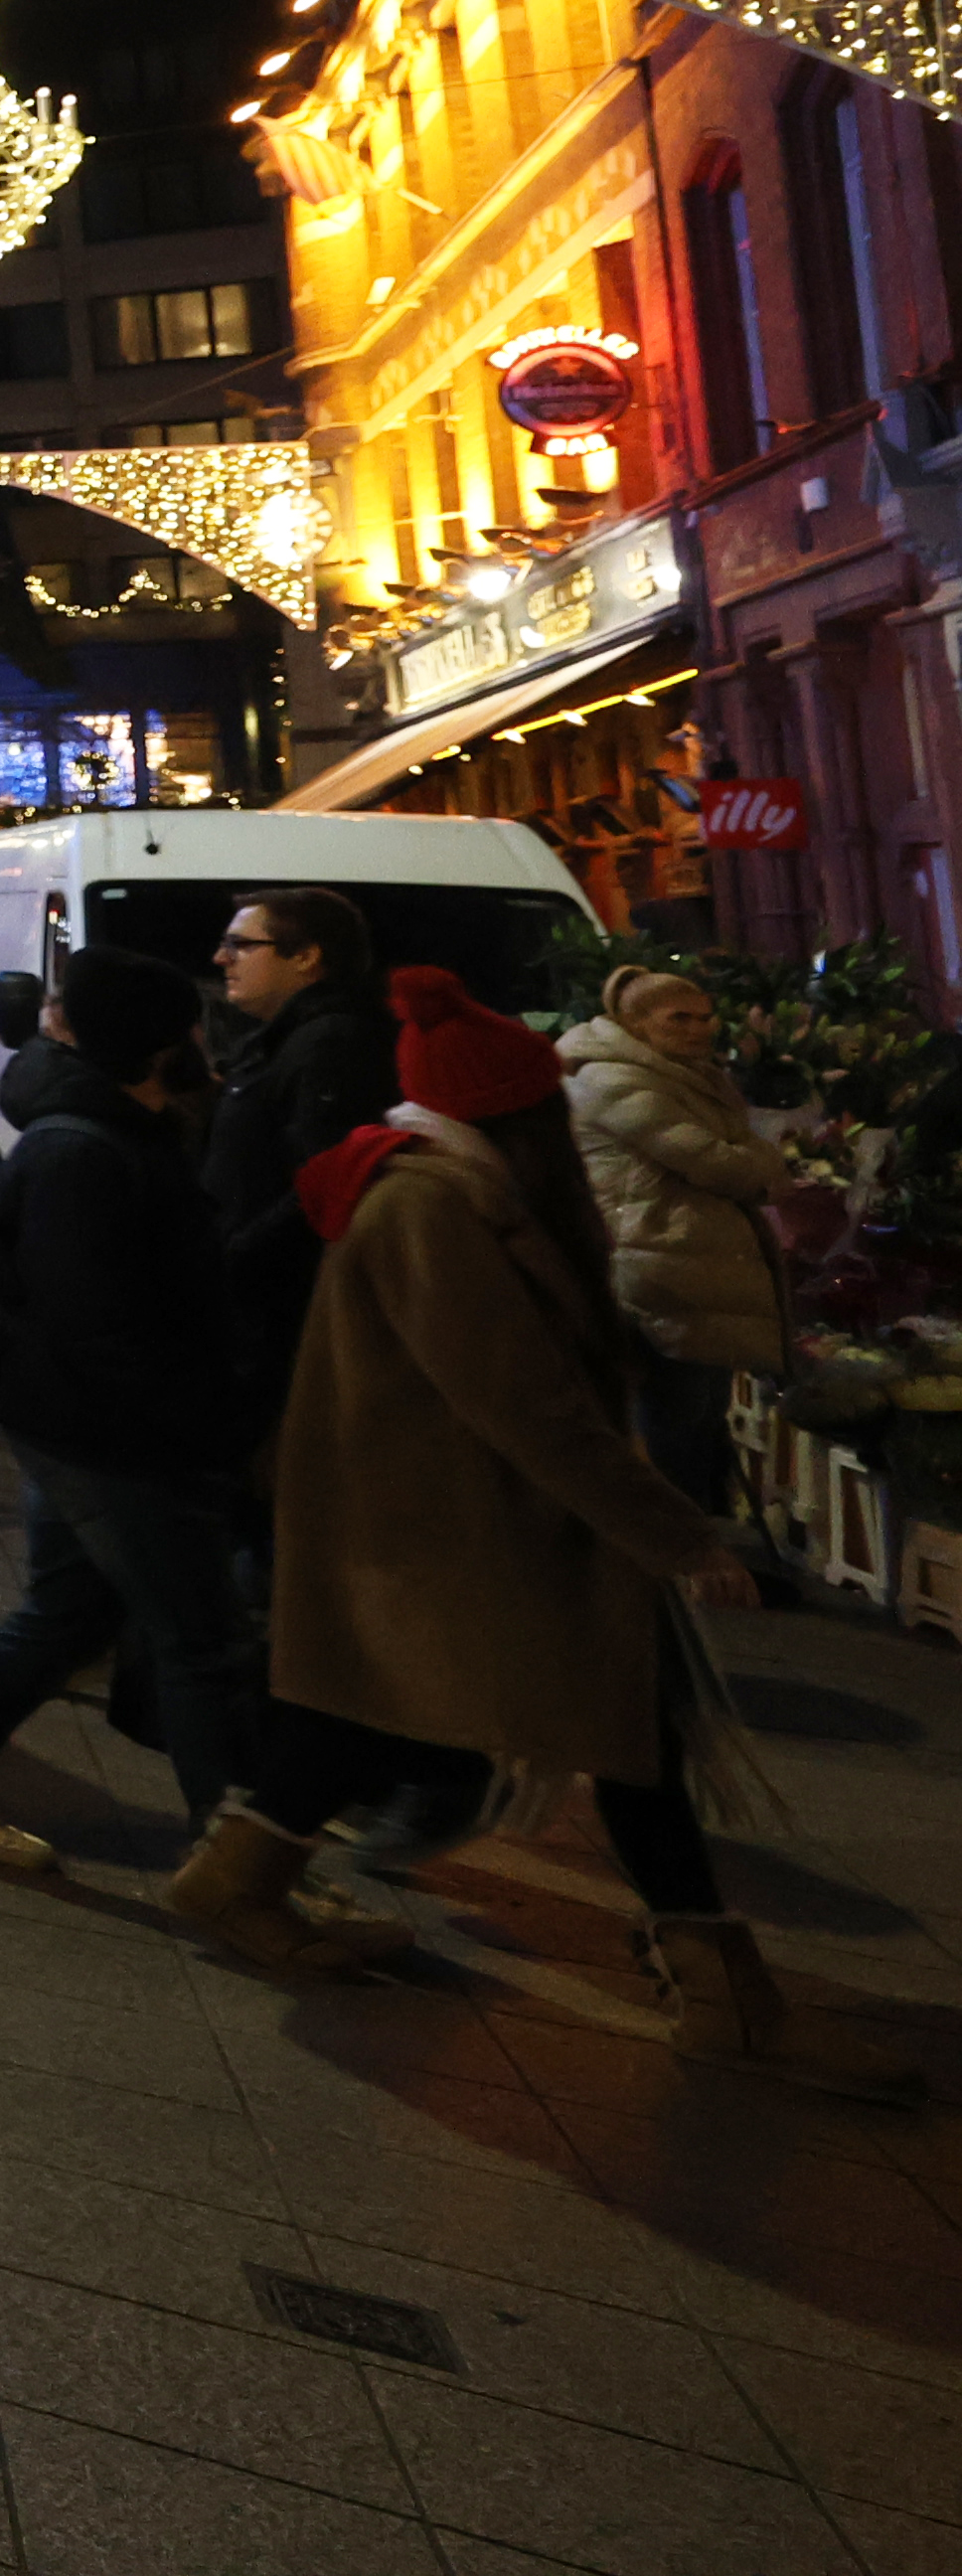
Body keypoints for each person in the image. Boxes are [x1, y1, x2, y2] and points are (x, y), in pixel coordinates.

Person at [205, 968, 909, 2093]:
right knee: (618, 1728)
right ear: (510, 1112)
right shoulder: (434, 1202)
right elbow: (518, 1396)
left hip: (450, 1514)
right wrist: (678, 1534)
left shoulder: (450, 1187)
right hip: (462, 1519)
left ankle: (239, 1878)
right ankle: (721, 1990)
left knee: (402, 1712)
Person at [0, 943, 294, 1888]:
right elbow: (95, 1321)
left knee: (74, 1606)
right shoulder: (84, 1150)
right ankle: (243, 1869)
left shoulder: (111, 1131)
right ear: (160, 1043)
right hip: (111, 1433)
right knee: (201, 1636)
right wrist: (191, 1425)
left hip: (83, 1420)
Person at [567, 962, 798, 1527]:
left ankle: (705, 1549)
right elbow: (717, 1162)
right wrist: (765, 1166)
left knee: (699, 1421)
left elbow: (744, 1150)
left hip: (690, 1268)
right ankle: (682, 1560)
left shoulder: (687, 1074)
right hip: (659, 1270)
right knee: (676, 1424)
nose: (700, 1028)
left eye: (706, 1016)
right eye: (680, 1018)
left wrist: (758, 1161)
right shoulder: (612, 1078)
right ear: (636, 1022)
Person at [203, 884, 394, 1401]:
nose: (221, 958)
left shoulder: (330, 1043)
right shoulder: (286, 1039)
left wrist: (230, 1260)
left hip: (286, 1311)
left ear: (307, 957)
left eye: (241, 945)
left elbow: (327, 1181)